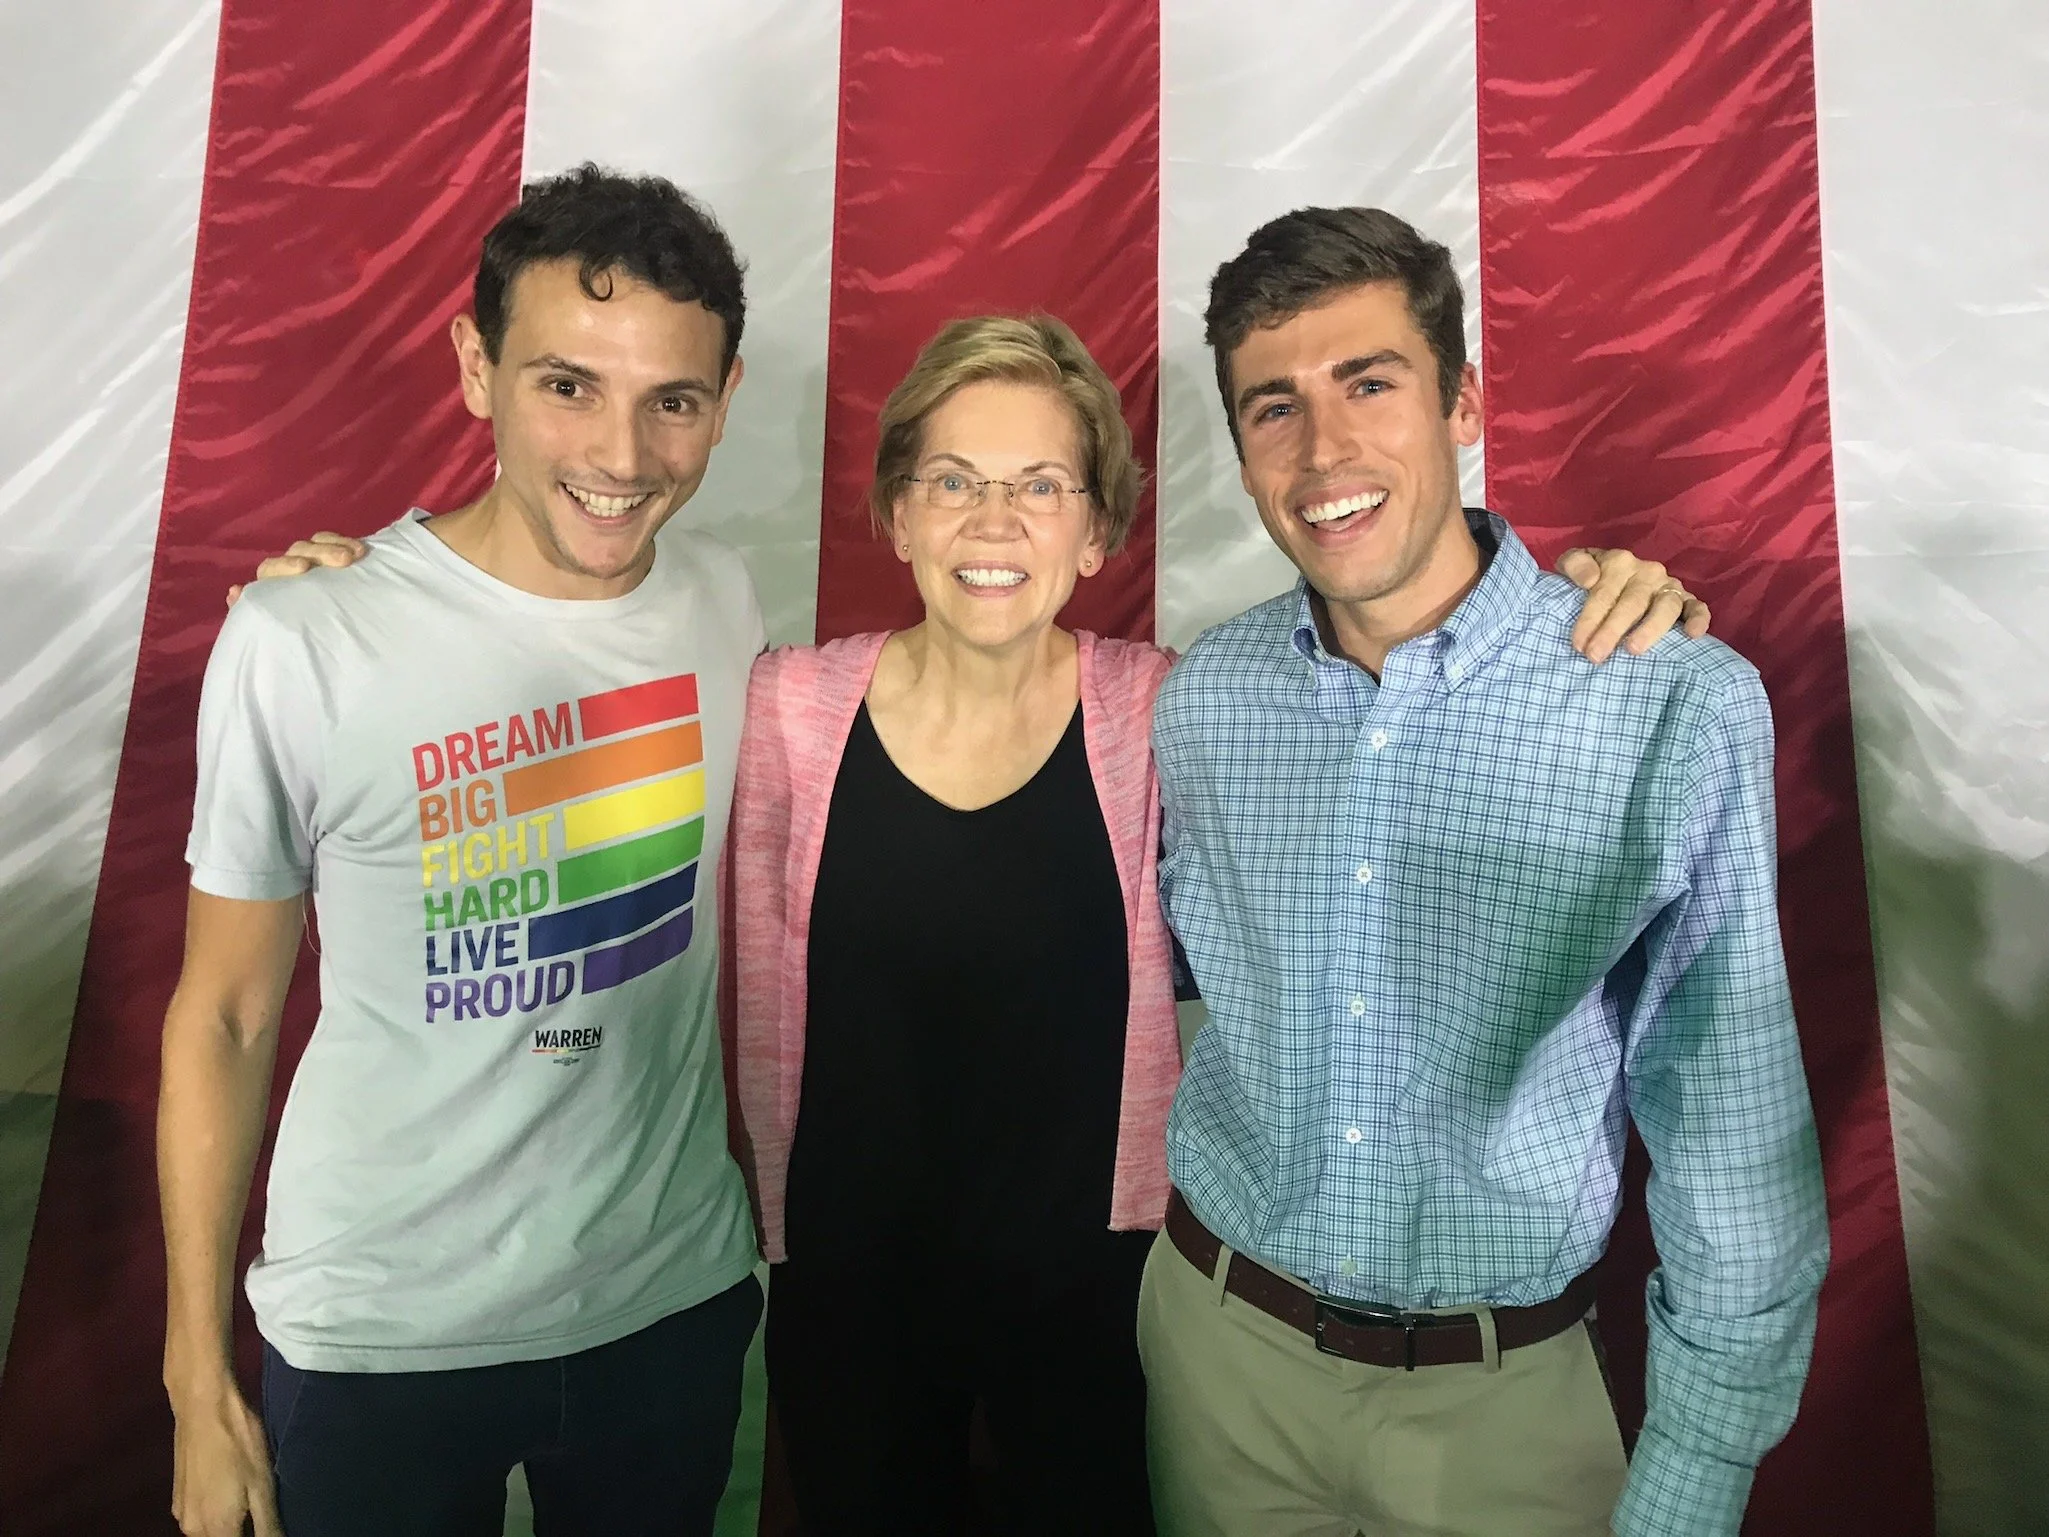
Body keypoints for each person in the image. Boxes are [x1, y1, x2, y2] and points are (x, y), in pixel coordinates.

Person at [1138, 205, 1831, 1537]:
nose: (1326, 449)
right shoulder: (1204, 701)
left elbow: (1726, 1123)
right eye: (1273, 408)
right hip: (1218, 1354)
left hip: (1501, 1406)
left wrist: (1695, 1470)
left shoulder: (1664, 699)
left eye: (1370, 383)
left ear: (1463, 400)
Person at [160, 165, 767, 1537]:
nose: (621, 453)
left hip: (665, 1308)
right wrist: (199, 1381)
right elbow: (226, 1013)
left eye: (671, 399)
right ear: (474, 368)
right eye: (567, 385)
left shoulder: (727, 603)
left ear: (726, 402)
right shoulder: (303, 637)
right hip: (377, 1336)